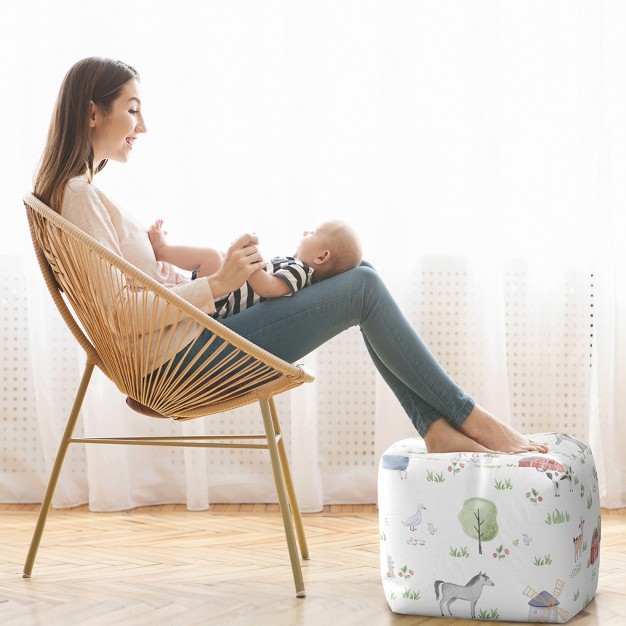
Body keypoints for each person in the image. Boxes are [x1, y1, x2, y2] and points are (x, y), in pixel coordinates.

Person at [33, 57, 548, 455]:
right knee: (363, 288)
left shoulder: (83, 194)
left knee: (360, 273)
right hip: (178, 362)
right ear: (92, 110)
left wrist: (184, 269)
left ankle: (437, 427)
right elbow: (121, 317)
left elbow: (129, 295)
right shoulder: (78, 196)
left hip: (187, 343)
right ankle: (466, 417)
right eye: (133, 109)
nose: (141, 127)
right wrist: (217, 284)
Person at [148, 218, 362, 318]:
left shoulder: (300, 272)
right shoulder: (297, 268)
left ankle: (162, 251)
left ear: (322, 257)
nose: (306, 231)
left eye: (313, 233)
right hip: (227, 295)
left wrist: (249, 260)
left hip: (224, 305)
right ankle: (178, 272)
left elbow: (268, 288)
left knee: (212, 256)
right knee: (218, 257)